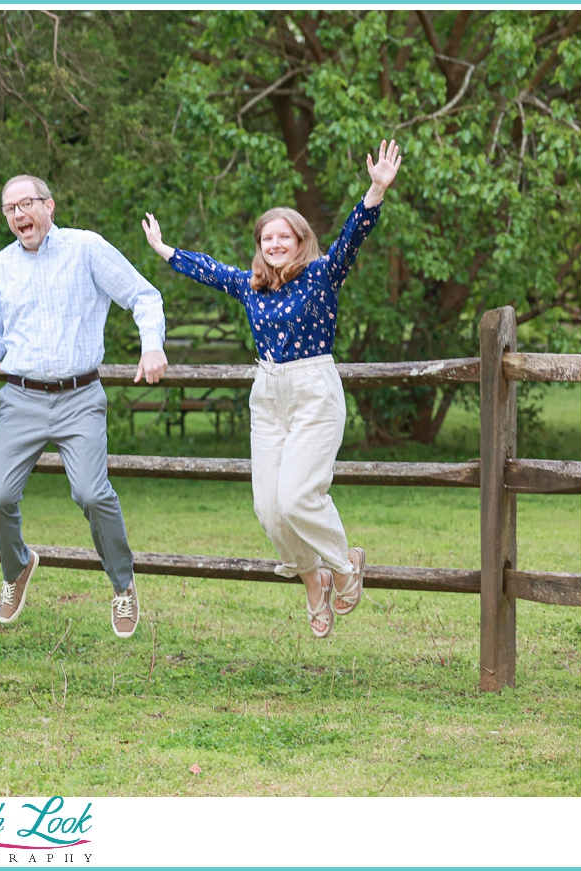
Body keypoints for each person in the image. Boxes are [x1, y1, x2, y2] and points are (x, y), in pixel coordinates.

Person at [141, 139, 403, 638]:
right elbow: (211, 270)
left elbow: (351, 237)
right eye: (267, 239)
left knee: (299, 497)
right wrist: (164, 251)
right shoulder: (251, 285)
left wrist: (374, 190)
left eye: (284, 237)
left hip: (312, 392)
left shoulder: (324, 275)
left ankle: (346, 566)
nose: (275, 244)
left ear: (301, 240)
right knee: (268, 507)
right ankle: (312, 578)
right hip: (267, 394)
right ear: (260, 246)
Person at [0, 174, 168, 640]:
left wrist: (151, 346)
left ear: (49, 206)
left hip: (80, 397)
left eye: (26, 205)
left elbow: (143, 296)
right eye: (9, 209)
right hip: (21, 398)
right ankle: (16, 568)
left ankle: (123, 584)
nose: (18, 216)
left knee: (92, 494)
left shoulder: (86, 247)